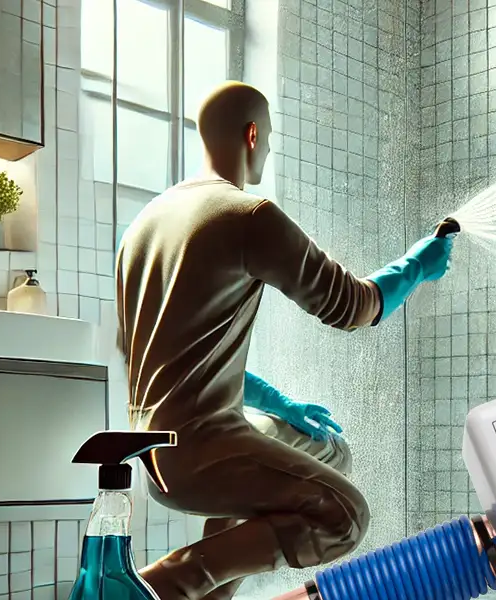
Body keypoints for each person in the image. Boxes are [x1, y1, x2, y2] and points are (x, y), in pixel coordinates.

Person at [114, 80, 455, 600]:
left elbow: (174, 361)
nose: (268, 152)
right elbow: (354, 305)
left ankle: (201, 588)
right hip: (204, 449)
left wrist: (278, 402)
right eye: (268, 139)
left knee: (326, 448)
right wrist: (418, 266)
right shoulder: (247, 215)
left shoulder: (143, 227)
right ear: (253, 134)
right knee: (344, 516)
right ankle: (162, 585)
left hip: (156, 451)